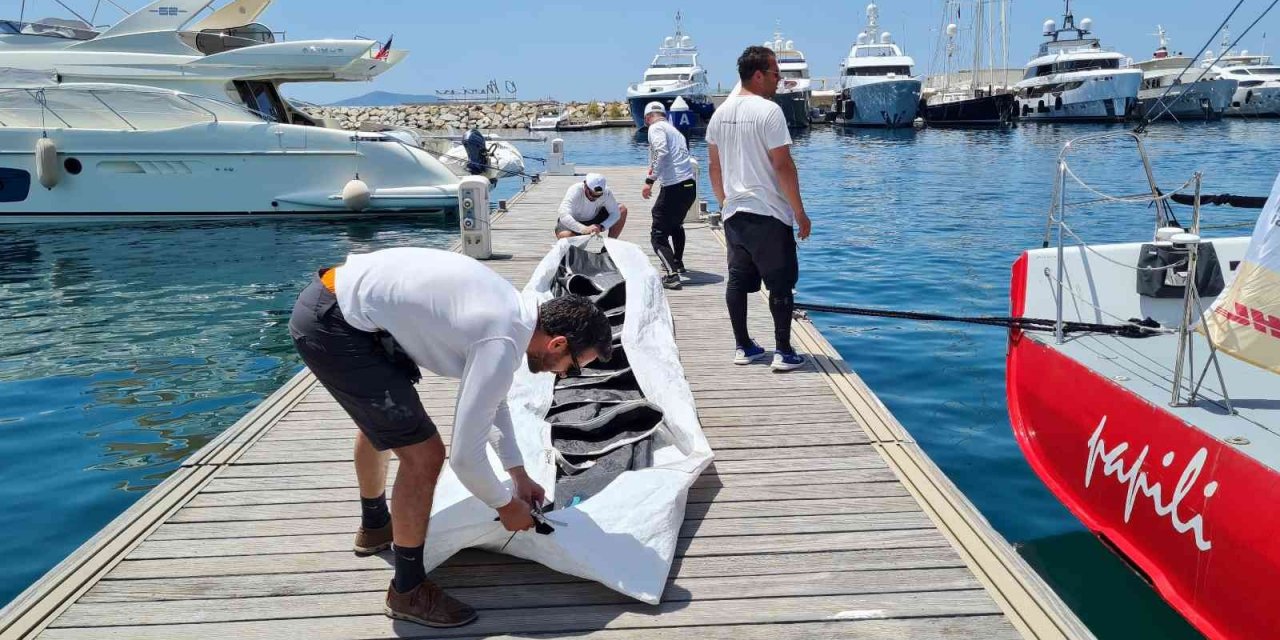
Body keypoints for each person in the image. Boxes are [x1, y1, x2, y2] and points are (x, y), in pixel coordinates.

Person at [288, 248, 612, 628]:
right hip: (336, 324)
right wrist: (505, 505)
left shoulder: (514, 314)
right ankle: (407, 591)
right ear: (557, 344)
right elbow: (465, 458)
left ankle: (376, 525)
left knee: (385, 421)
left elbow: (495, 403)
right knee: (424, 455)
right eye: (572, 369)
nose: (562, 376)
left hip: (342, 306)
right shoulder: (502, 339)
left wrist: (518, 474)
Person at [706, 45, 812, 372]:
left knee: (737, 280)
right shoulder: (769, 111)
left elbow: (714, 166)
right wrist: (799, 212)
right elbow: (782, 165)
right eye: (776, 74)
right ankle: (783, 351)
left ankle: (743, 347)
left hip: (734, 214)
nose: (780, 80)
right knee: (780, 283)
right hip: (768, 213)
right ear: (758, 75)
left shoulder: (719, 114)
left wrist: (725, 202)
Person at [641, 101, 697, 290]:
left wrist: (650, 180)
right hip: (689, 185)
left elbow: (661, 151)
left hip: (674, 186)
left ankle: (672, 275)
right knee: (675, 225)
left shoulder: (655, 128)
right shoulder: (675, 131)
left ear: (648, 117)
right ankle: (677, 263)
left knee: (657, 234)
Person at [555, 173, 628, 239]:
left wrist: (602, 226)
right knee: (564, 236)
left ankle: (609, 245)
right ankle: (578, 246)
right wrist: (583, 229)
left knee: (622, 209)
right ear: (585, 185)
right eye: (591, 194)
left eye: (598, 195)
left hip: (594, 218)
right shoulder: (574, 190)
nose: (594, 198)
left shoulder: (606, 192)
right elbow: (563, 215)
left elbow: (615, 213)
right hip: (575, 220)